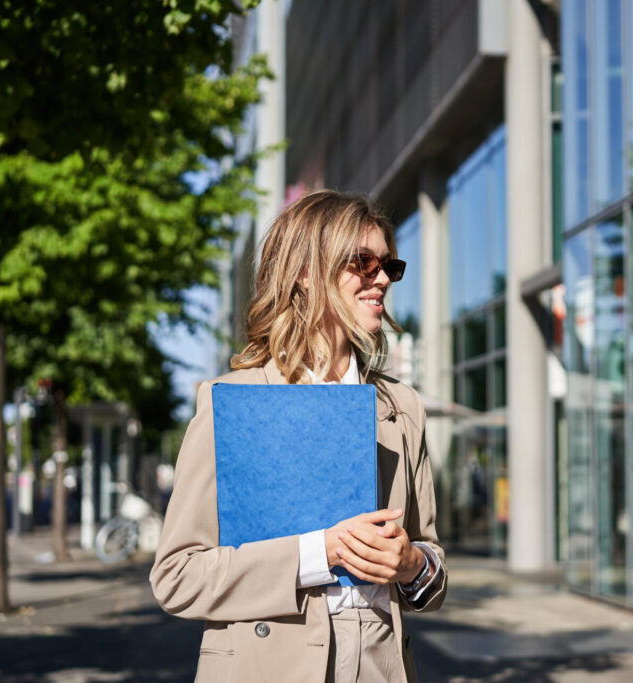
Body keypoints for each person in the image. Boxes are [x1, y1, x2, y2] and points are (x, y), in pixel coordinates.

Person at [150, 190, 446, 682]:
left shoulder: (400, 407)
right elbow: (177, 577)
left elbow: (431, 565)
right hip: (266, 663)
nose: (380, 280)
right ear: (306, 272)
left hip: (379, 663)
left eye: (388, 267)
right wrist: (318, 553)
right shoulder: (232, 400)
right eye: (363, 262)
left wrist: (413, 562)